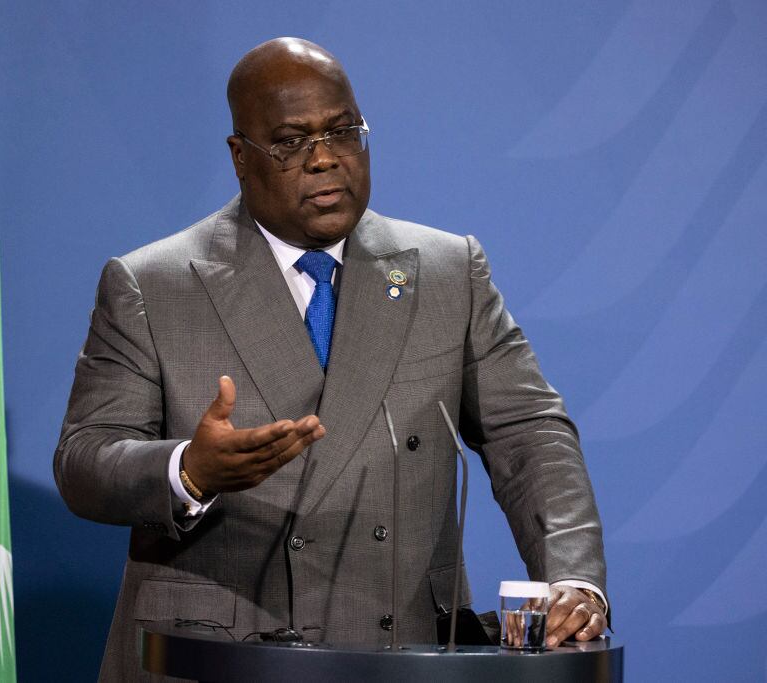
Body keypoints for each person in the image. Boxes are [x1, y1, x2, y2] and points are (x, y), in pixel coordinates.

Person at [54, 37, 609, 681]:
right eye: (291, 142)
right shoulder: (154, 283)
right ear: (240, 157)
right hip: (219, 654)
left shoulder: (447, 269)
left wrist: (572, 576)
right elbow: (85, 460)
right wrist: (189, 469)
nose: (324, 160)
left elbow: (529, 432)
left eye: (343, 131)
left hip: (399, 652)